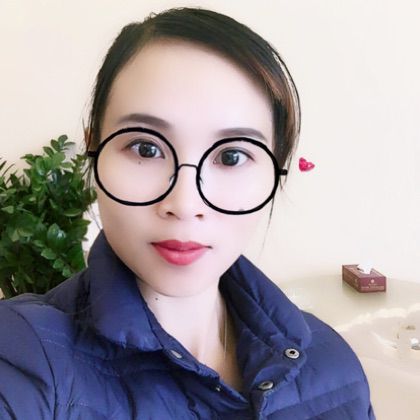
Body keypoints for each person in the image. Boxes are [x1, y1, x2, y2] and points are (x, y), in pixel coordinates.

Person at [0, 7, 375, 419]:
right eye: (146, 149)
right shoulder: (25, 355)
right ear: (94, 148)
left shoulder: (334, 366)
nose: (185, 204)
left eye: (231, 156)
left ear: (277, 167)